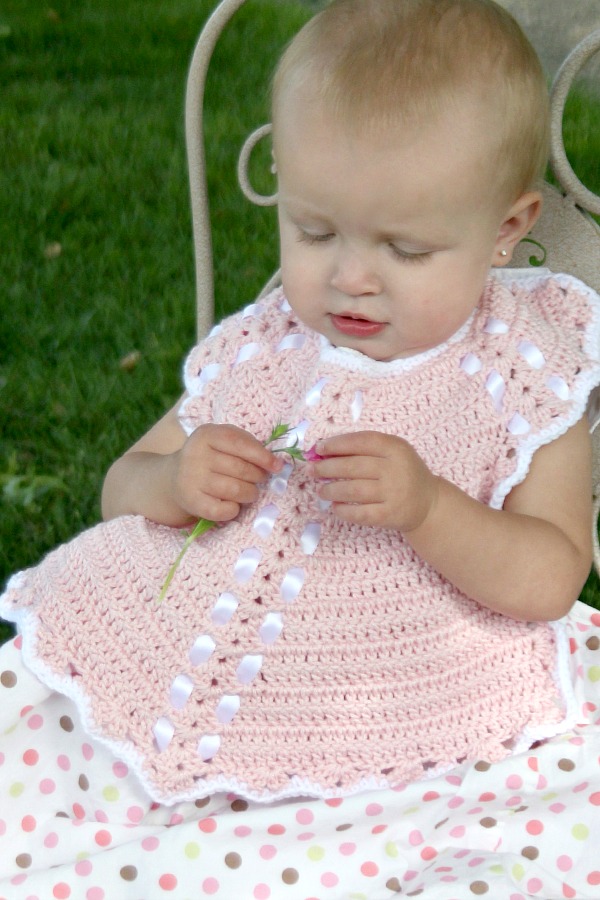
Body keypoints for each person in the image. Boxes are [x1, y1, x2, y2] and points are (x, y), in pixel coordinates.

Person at [2, 0, 600, 896]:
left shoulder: (521, 367)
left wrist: (432, 510)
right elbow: (121, 484)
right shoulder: (263, 344)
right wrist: (176, 477)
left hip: (416, 698)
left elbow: (554, 574)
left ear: (509, 226)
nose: (348, 275)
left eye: (405, 248)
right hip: (179, 648)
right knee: (36, 746)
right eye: (315, 231)